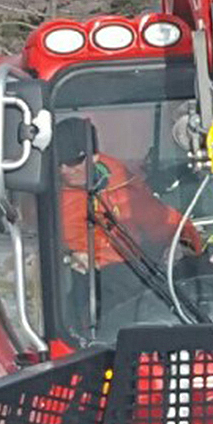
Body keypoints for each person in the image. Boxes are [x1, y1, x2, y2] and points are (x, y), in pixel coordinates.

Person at [57, 117, 201, 312]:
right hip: (87, 287)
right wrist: (67, 256)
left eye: (73, 161)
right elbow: (33, 244)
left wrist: (183, 244)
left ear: (94, 157)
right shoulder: (42, 196)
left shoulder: (123, 185)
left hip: (138, 277)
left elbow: (165, 223)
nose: (64, 169)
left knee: (201, 277)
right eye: (58, 161)